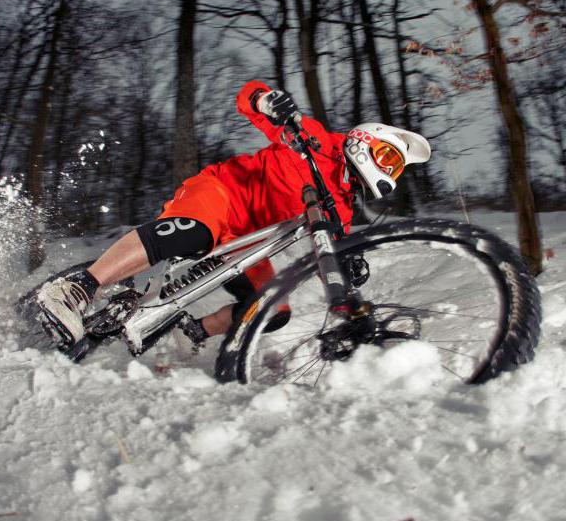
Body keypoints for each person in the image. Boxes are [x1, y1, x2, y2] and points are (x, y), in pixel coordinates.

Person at [37, 79, 431, 349]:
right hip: (221, 196)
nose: (387, 170)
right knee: (193, 232)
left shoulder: (340, 207)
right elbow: (249, 100)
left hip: (248, 244)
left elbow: (329, 248)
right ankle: (77, 288)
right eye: (386, 156)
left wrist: (349, 262)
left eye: (395, 168)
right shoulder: (313, 140)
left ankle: (191, 334)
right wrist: (266, 100)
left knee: (273, 311)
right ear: (365, 138)